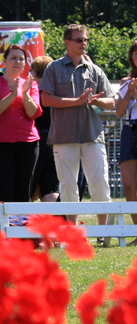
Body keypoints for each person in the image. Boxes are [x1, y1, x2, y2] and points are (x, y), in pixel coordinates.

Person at [40, 24, 115, 226]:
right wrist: (75, 101)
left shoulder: (95, 70)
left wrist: (98, 102)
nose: (84, 43)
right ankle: (72, 231)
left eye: (85, 39)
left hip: (92, 135)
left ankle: (103, 232)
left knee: (99, 183)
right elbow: (45, 100)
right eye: (79, 39)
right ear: (67, 42)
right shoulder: (53, 68)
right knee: (68, 186)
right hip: (63, 137)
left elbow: (112, 101)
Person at [0, 45, 41, 206]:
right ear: (5, 62)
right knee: (2, 193)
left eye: (21, 59)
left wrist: (25, 92)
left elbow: (33, 113)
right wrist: (13, 94)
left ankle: (19, 229)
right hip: (1, 143)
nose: (17, 62)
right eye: (13, 58)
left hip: (28, 143)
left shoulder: (31, 84)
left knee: (23, 192)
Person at [29, 56, 60, 203]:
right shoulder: (56, 91)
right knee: (51, 187)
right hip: (54, 140)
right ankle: (54, 223)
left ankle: (20, 223)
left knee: (27, 186)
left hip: (35, 140)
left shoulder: (32, 91)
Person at [115, 41, 137, 242]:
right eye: (136, 54)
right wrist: (129, 94)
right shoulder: (126, 81)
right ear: (132, 58)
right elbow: (119, 112)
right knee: (129, 186)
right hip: (131, 130)